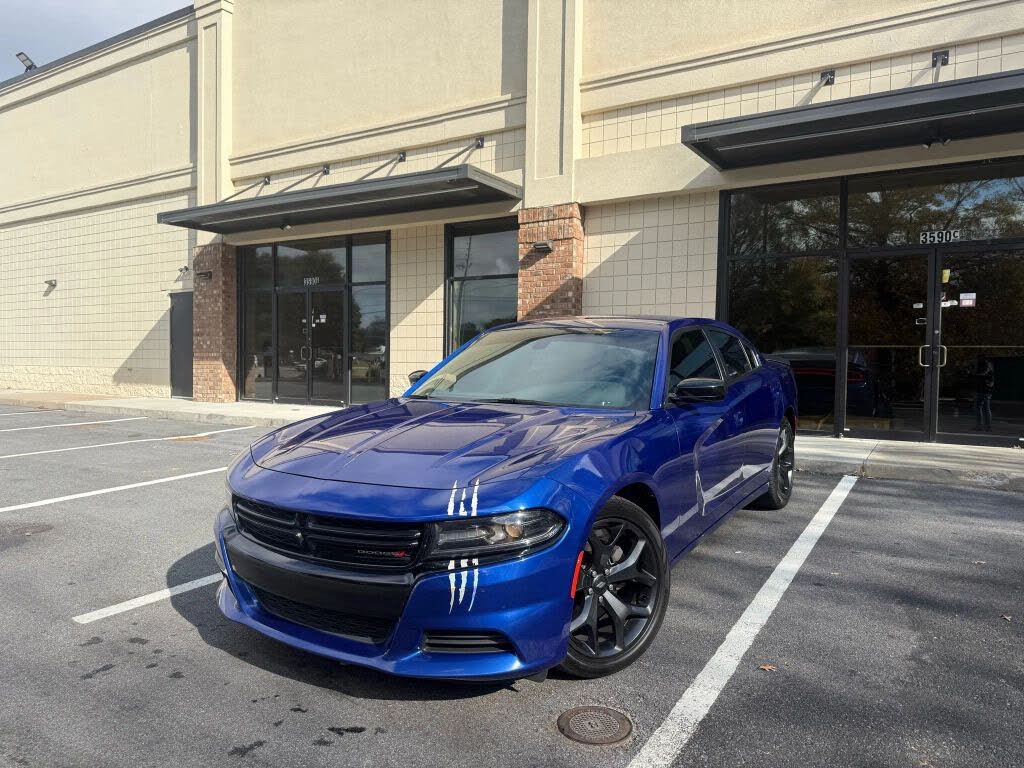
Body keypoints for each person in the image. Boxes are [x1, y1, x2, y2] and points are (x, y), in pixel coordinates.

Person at [973, 355, 995, 432]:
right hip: (985, 388)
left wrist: (974, 375)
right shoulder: (988, 364)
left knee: (981, 407)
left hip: (983, 388)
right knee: (984, 407)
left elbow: (983, 375)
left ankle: (983, 426)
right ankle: (986, 426)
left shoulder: (984, 364)